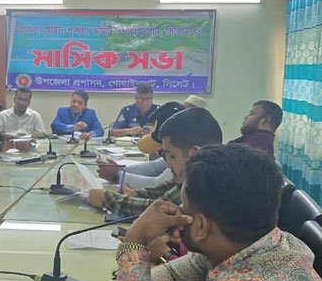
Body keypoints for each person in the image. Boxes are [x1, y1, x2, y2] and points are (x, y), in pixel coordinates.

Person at [80, 144, 322, 281]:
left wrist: (135, 241)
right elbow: (176, 279)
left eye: (183, 205)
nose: (178, 210)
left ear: (201, 227)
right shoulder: (263, 243)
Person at [89, 107, 222, 262]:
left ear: (195, 154)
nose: (168, 164)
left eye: (171, 156)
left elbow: (200, 272)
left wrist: (143, 245)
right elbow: (162, 199)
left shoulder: (206, 193)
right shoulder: (197, 180)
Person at [98, 102, 184, 189]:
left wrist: (118, 176)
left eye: (163, 152)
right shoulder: (177, 150)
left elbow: (159, 185)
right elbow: (156, 166)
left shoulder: (185, 155)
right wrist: (120, 169)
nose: (168, 164)